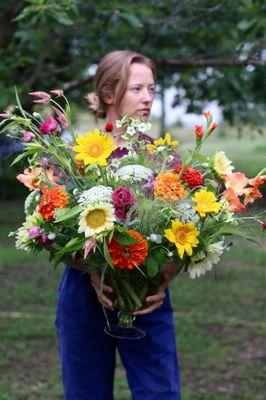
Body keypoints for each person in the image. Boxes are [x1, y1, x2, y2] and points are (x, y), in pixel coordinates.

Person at [55, 50, 181, 400]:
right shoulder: (80, 156)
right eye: (137, 89)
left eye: (152, 89)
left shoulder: (163, 158)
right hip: (84, 296)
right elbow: (55, 231)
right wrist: (91, 268)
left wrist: (169, 272)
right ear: (109, 94)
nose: (147, 98)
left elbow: (190, 229)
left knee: (161, 394)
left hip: (147, 294)